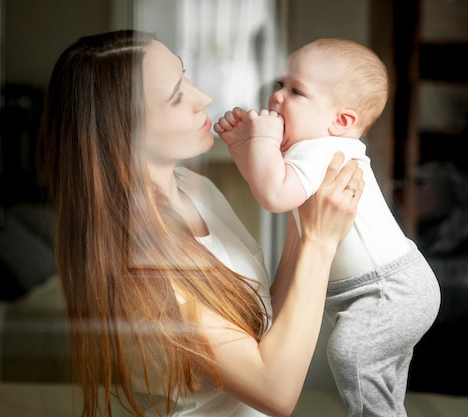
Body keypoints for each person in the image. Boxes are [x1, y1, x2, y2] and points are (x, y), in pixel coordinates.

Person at [37, 30, 365, 417]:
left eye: (185, 74)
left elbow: (260, 322)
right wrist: (319, 243)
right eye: (177, 95)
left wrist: (302, 202)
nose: (203, 98)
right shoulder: (140, 255)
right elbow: (275, 391)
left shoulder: (193, 187)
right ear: (123, 128)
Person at [214, 38, 441, 417]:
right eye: (280, 85)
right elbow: (271, 186)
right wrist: (245, 148)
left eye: (297, 91)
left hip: (389, 288)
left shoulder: (322, 149)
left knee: (350, 353)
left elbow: (274, 195)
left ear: (342, 121)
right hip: (384, 286)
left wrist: (262, 140)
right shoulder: (312, 149)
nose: (278, 98)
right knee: (377, 378)